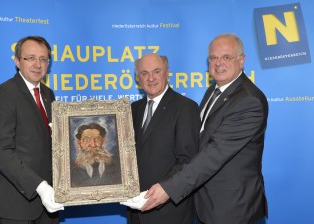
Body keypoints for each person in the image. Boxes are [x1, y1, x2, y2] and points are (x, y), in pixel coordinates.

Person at [140, 33, 269, 224]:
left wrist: (169, 188)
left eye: (226, 57)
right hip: (206, 206)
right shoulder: (214, 91)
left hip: (233, 210)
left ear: (241, 60)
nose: (219, 63)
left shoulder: (248, 101)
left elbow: (214, 154)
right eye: (213, 58)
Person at [0, 36, 64, 224]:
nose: (38, 64)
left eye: (43, 59)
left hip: (49, 202)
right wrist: (40, 186)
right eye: (30, 58)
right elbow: (1, 152)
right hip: (17, 202)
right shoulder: (4, 93)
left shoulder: (48, 94)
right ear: (17, 62)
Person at [124, 53, 201, 224]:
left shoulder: (185, 108)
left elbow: (188, 161)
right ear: (138, 78)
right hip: (135, 210)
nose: (151, 78)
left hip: (169, 211)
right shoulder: (132, 110)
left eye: (156, 71)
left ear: (167, 73)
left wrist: (164, 190)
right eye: (144, 73)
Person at [70, 122, 122, 187]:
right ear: (79, 143)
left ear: (103, 141)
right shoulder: (72, 171)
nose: (93, 144)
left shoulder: (118, 166)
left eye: (97, 139)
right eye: (87, 140)